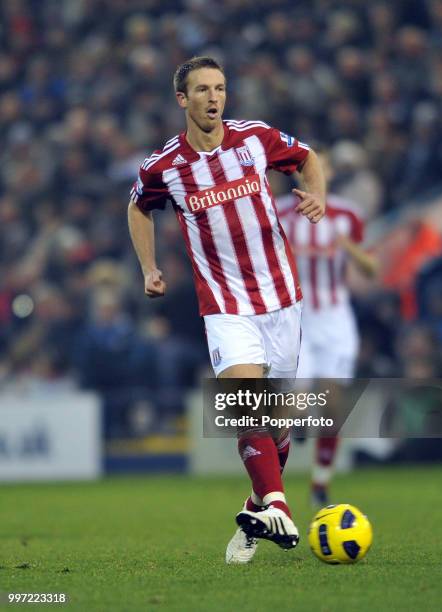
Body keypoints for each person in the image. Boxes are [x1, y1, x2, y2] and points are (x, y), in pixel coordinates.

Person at [127, 56, 326, 564]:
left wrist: (317, 195)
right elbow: (137, 206)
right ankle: (278, 504)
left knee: (278, 431)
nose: (214, 98)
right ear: (182, 99)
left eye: (220, 88)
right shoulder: (164, 166)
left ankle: (255, 510)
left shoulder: (256, 138)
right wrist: (148, 267)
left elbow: (307, 158)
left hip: (283, 300)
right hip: (224, 305)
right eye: (202, 90)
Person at [277, 151, 378, 507]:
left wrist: (348, 247)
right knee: (299, 405)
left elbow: (372, 269)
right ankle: (297, 430)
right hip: (297, 319)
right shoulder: (279, 213)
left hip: (335, 318)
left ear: (329, 172)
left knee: (333, 406)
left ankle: (320, 484)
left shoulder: (348, 216)